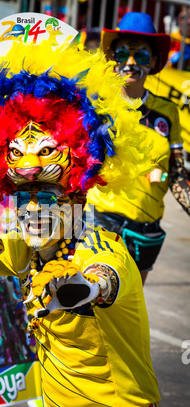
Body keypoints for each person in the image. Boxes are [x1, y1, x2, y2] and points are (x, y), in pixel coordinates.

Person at [0, 29, 160, 407]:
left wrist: (77, 287)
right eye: (21, 198)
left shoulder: (98, 245)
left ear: (75, 196)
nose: (32, 209)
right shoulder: (26, 245)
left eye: (47, 197)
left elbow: (103, 278)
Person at [88, 12, 190, 285]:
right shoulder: (97, 107)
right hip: (98, 222)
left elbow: (177, 173)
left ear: (155, 61)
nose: (131, 64)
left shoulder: (167, 113)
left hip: (145, 229)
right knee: (96, 303)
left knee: (129, 308)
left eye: (141, 56)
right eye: (122, 54)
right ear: (112, 59)